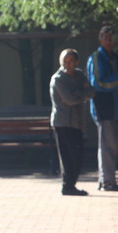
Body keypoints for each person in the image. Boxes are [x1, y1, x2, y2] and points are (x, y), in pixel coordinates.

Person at [50, 49, 95, 196]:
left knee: (79, 155)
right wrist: (81, 93)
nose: (67, 64)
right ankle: (67, 186)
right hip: (63, 123)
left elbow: (91, 92)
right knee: (68, 157)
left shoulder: (80, 75)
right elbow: (69, 99)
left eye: (70, 61)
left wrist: (77, 94)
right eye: (64, 61)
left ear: (76, 62)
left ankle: (71, 185)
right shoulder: (58, 79)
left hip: (77, 122)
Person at [87, 25, 118, 191]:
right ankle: (107, 181)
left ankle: (106, 179)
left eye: (110, 37)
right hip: (104, 108)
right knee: (107, 146)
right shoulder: (97, 57)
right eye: (105, 37)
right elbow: (97, 83)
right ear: (100, 38)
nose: (108, 40)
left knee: (113, 146)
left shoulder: (114, 57)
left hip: (115, 109)